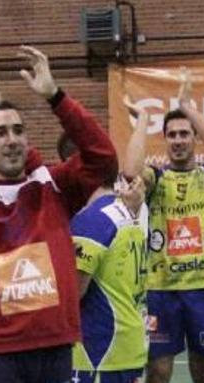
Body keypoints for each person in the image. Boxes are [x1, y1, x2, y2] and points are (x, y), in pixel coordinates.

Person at [0, 47, 117, 383]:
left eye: (19, 131)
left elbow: (104, 159)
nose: (12, 140)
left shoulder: (53, 184)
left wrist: (55, 96)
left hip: (54, 343)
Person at [122, 69, 204, 383]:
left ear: (195, 137)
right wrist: (143, 120)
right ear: (165, 140)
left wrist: (187, 108)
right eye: (172, 134)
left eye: (185, 133)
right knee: (157, 372)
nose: (179, 140)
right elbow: (130, 172)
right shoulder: (156, 179)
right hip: (161, 290)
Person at [62, 110, 150, 383]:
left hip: (98, 351)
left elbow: (73, 293)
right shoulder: (135, 209)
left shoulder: (91, 220)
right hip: (131, 345)